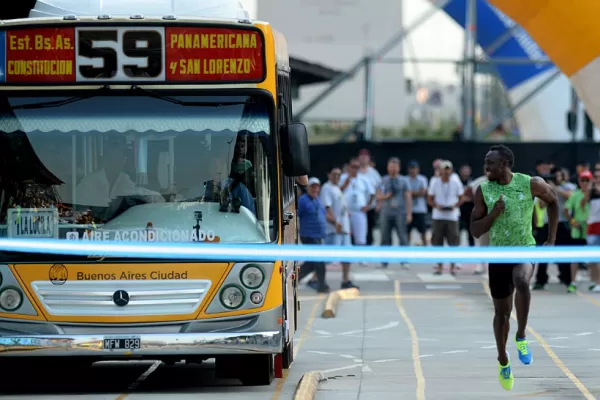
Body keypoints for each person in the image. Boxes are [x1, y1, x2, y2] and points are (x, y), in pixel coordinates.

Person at [470, 144, 558, 391]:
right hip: (498, 256)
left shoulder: (530, 183)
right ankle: (503, 359)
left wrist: (550, 240)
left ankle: (521, 336)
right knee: (501, 314)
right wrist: (494, 213)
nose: (486, 167)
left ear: (505, 164)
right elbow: (475, 230)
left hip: (525, 249)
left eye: (491, 163)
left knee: (522, 280)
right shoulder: (483, 190)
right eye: (485, 162)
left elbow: (553, 202)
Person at [320, 166, 358, 290]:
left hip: (344, 229)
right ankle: (316, 278)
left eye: (339, 174)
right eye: (334, 174)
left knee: (347, 255)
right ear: (329, 174)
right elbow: (327, 208)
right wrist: (335, 222)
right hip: (334, 229)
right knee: (327, 257)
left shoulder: (337, 188)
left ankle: (345, 280)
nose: (337, 177)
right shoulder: (326, 188)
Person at [427, 160, 464, 275]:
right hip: (438, 215)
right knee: (437, 241)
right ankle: (439, 266)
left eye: (448, 169)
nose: (446, 172)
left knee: (453, 241)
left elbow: (462, 197)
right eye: (444, 169)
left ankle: (453, 266)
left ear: (451, 170)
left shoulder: (455, 181)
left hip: (452, 216)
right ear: (440, 170)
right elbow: (429, 198)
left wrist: (455, 205)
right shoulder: (435, 182)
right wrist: (436, 205)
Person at [376, 157, 412, 269]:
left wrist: (409, 213)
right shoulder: (383, 180)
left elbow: (408, 197)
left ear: (399, 168)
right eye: (391, 166)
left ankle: (404, 260)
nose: (393, 168)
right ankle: (384, 260)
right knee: (385, 236)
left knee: (402, 236)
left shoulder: (404, 180)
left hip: (400, 212)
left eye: (395, 166)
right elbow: (378, 196)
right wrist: (387, 196)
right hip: (386, 212)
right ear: (387, 167)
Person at [297, 177, 328, 293]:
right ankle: (322, 286)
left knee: (311, 263)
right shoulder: (303, 200)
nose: (315, 189)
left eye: (316, 187)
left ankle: (296, 279)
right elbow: (296, 215)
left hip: (318, 236)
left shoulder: (318, 200)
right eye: (312, 187)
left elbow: (323, 215)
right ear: (308, 188)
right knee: (319, 262)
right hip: (309, 235)